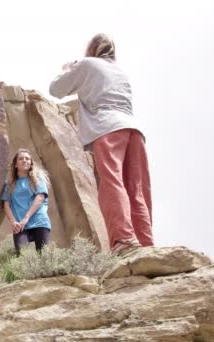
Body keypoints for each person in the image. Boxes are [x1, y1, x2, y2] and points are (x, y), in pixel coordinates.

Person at [49, 33, 153, 255]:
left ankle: (124, 240)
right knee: (136, 189)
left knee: (112, 182)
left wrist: (70, 70)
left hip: (107, 128)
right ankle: (145, 243)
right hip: (134, 129)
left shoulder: (87, 64)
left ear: (92, 49)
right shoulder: (121, 71)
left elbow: (56, 89)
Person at [2, 148, 51, 255]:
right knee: (22, 256)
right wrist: (13, 222)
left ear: (31, 163)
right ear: (15, 164)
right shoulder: (9, 184)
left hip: (39, 221)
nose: (25, 160)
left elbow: (40, 198)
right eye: (21, 159)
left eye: (27, 159)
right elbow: (6, 205)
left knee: (45, 257)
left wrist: (26, 218)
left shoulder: (38, 178)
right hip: (20, 225)